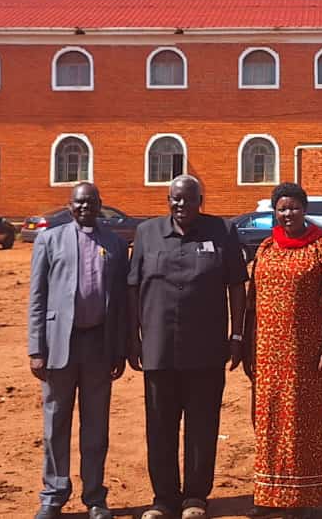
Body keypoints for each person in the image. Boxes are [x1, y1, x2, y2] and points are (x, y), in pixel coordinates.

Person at [128, 175, 248, 519]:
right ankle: (164, 499)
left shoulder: (222, 231)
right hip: (159, 349)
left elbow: (236, 285)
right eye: (175, 198)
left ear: (200, 201)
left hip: (206, 350)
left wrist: (237, 336)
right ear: (168, 200)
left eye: (188, 198)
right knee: (159, 426)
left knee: (203, 425)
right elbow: (132, 287)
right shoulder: (147, 233)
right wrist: (132, 338)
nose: (181, 204)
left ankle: (195, 496)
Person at [244, 182, 322, 518]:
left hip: (307, 356)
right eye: (282, 208)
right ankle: (268, 497)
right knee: (268, 423)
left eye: (293, 207)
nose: (288, 213)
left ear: (304, 209)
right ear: (274, 212)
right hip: (268, 356)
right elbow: (252, 303)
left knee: (303, 425)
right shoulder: (267, 248)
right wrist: (249, 348)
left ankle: (301, 500)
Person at [27, 182, 130, 519]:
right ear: (70, 206)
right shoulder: (49, 240)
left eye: (91, 202)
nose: (85, 207)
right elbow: (37, 297)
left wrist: (119, 349)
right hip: (59, 344)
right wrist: (36, 349)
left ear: (100, 205)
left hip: (99, 345)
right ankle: (53, 495)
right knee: (56, 423)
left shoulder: (116, 244)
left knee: (96, 426)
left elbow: (121, 303)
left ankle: (95, 497)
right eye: (79, 202)